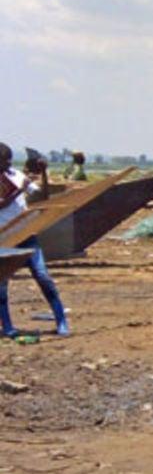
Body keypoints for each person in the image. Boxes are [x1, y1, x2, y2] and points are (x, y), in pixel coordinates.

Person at [0, 144, 69, 337]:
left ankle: (61, 321)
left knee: (43, 276)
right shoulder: (15, 183)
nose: (6, 165)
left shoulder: (16, 176)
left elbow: (42, 196)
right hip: (3, 239)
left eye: (8, 161)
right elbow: (2, 203)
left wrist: (45, 174)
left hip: (26, 235)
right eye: (3, 162)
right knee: (2, 285)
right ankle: (7, 327)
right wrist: (19, 191)